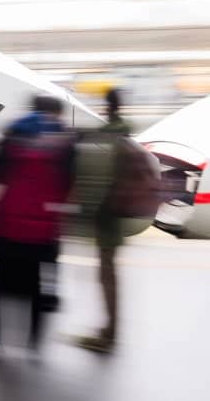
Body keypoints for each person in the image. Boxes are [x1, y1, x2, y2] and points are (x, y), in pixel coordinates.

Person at [0, 94, 75, 353]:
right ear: (56, 112)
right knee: (36, 282)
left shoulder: (12, 131)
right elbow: (68, 183)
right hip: (44, 226)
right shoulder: (65, 139)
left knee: (1, 280)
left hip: (7, 221)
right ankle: (33, 340)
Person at [75, 88, 131, 353]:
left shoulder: (113, 133)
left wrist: (92, 208)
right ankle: (108, 329)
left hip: (109, 213)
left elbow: (105, 176)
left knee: (107, 275)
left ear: (107, 106)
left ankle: (109, 335)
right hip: (115, 212)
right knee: (107, 274)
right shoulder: (122, 131)